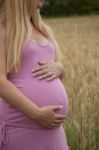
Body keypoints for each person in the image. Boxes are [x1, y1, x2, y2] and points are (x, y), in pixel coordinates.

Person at [0, 0, 69, 150]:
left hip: (53, 130)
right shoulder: (3, 30)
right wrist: (36, 114)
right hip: (21, 126)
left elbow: (51, 70)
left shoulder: (43, 29)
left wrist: (60, 68)